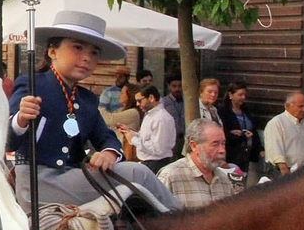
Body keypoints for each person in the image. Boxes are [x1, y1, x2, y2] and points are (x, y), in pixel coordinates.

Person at [10, 11, 180, 211]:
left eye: (94, 53)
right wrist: (20, 119)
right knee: (138, 174)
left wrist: (108, 153)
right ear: (52, 52)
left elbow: (106, 137)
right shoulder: (31, 84)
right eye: (77, 47)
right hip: (38, 182)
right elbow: (7, 139)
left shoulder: (87, 99)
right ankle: (185, 224)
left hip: (73, 177)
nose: (86, 58)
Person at [156, 120, 237, 210]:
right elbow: (157, 219)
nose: (222, 150)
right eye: (215, 144)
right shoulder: (171, 176)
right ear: (194, 146)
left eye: (223, 144)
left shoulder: (223, 179)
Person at [121, 85, 176, 172]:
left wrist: (133, 139)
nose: (137, 104)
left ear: (151, 98)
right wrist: (129, 132)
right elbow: (146, 137)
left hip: (157, 163)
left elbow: (158, 149)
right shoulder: (149, 115)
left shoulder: (161, 118)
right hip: (148, 162)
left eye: (139, 101)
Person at [264, 91, 304, 175]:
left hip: (301, 172)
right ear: (288, 106)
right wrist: (285, 173)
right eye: (300, 106)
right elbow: (276, 152)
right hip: (282, 172)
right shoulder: (277, 123)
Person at [220, 81, 263, 175]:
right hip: (232, 154)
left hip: (246, 153)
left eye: (244, 95)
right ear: (230, 95)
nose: (243, 98)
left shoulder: (245, 111)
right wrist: (243, 137)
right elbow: (225, 134)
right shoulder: (224, 112)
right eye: (240, 95)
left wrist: (259, 148)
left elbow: (253, 129)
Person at [160, 77, 186, 152]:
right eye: (174, 86)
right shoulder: (163, 103)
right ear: (168, 86)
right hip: (169, 141)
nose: (177, 89)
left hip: (184, 140)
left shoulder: (187, 102)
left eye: (180, 86)